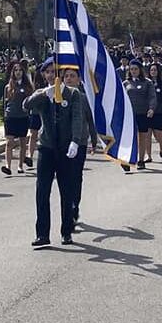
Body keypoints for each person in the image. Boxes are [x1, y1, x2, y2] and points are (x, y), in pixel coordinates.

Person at [23, 58, 83, 246]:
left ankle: (67, 231)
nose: (50, 75)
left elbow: (77, 118)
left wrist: (75, 141)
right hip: (47, 148)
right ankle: (42, 234)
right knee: (42, 191)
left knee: (66, 191)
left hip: (66, 149)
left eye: (54, 72)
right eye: (47, 72)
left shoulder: (73, 94)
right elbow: (26, 105)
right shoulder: (42, 94)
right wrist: (42, 95)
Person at [62, 67, 98, 226]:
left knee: (76, 176)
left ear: (78, 80)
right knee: (65, 178)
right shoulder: (58, 97)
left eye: (72, 76)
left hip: (80, 142)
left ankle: (74, 206)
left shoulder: (84, 98)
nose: (69, 79)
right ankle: (67, 208)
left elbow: (91, 120)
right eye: (66, 76)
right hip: (62, 143)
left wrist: (94, 140)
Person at [1, 61, 34, 175]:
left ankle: (20, 165)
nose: (18, 72)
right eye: (15, 70)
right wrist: (4, 114)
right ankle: (7, 165)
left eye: (20, 70)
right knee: (9, 142)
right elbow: (6, 102)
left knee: (22, 141)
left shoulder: (27, 86)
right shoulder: (8, 87)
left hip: (23, 117)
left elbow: (31, 101)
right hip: (11, 116)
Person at [123, 59, 156, 170]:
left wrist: (151, 108)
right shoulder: (126, 83)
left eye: (136, 69)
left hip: (143, 113)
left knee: (142, 137)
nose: (133, 71)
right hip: (129, 115)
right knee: (129, 139)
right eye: (131, 69)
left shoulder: (147, 82)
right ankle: (127, 160)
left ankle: (141, 160)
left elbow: (152, 97)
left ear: (140, 70)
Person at [26, 69, 47, 168]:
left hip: (45, 114)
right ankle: (29, 155)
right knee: (33, 134)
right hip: (35, 113)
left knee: (39, 135)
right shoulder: (35, 86)